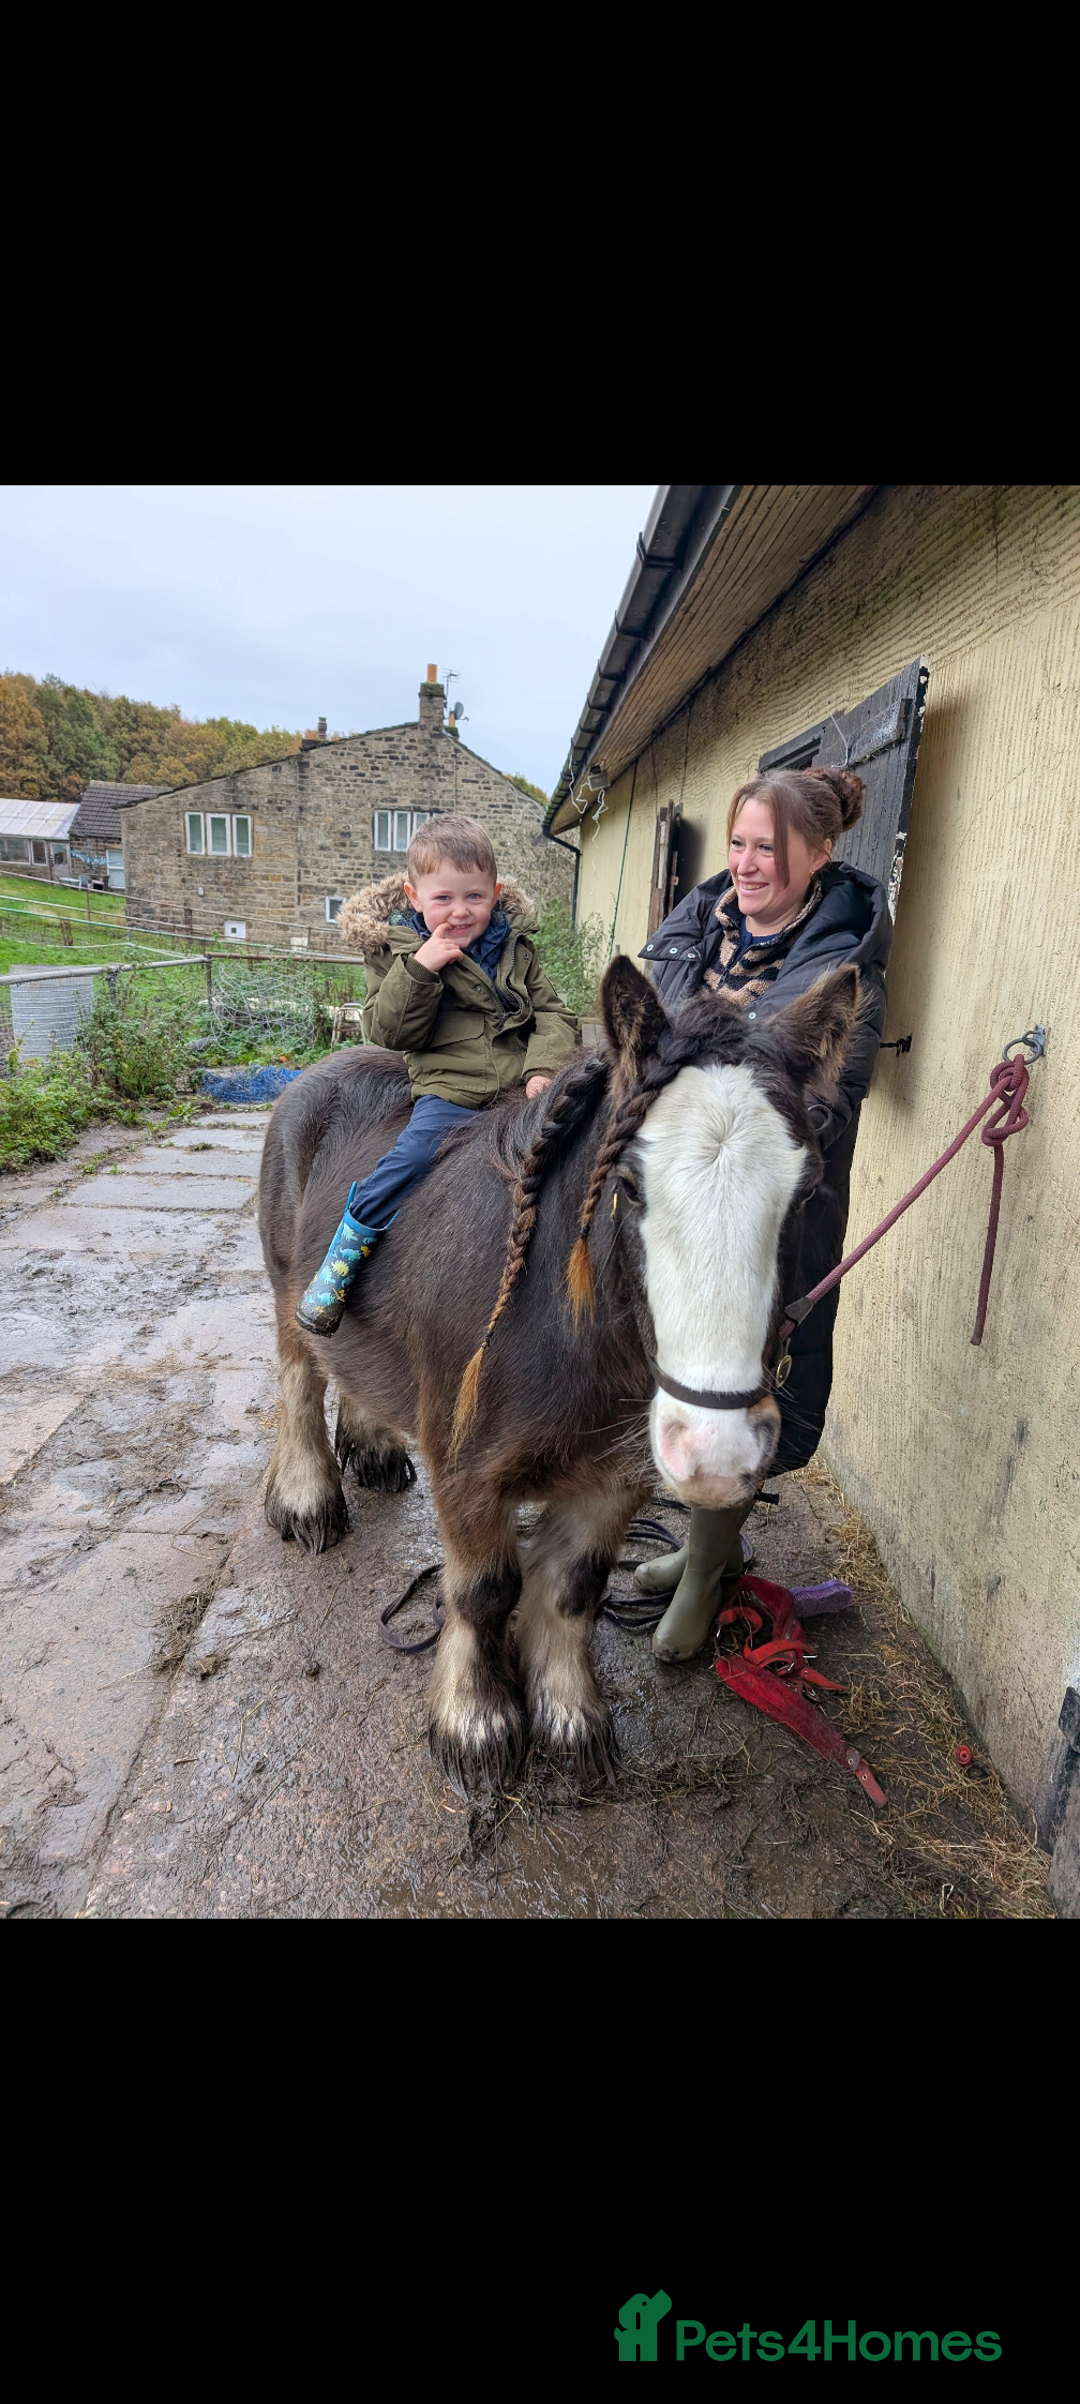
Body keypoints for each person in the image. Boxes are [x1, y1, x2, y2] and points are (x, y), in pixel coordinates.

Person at [633, 763, 891, 1660]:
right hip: (683, 1209)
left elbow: (813, 1105)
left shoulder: (840, 967)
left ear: (820, 855)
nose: (746, 864)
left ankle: (706, 1572)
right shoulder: (691, 930)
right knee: (687, 1374)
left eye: (769, 849)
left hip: (768, 1215)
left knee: (746, 1381)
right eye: (738, 843)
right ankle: (717, 1547)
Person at [295, 814, 579, 1334]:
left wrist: (543, 1070)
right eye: (443, 898)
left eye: (473, 896)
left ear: (493, 894)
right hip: (450, 1092)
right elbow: (388, 1029)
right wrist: (421, 970)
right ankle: (342, 1261)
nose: (460, 911)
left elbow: (554, 1014)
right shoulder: (397, 954)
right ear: (414, 895)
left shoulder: (515, 949)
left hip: (521, 1089)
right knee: (409, 1159)